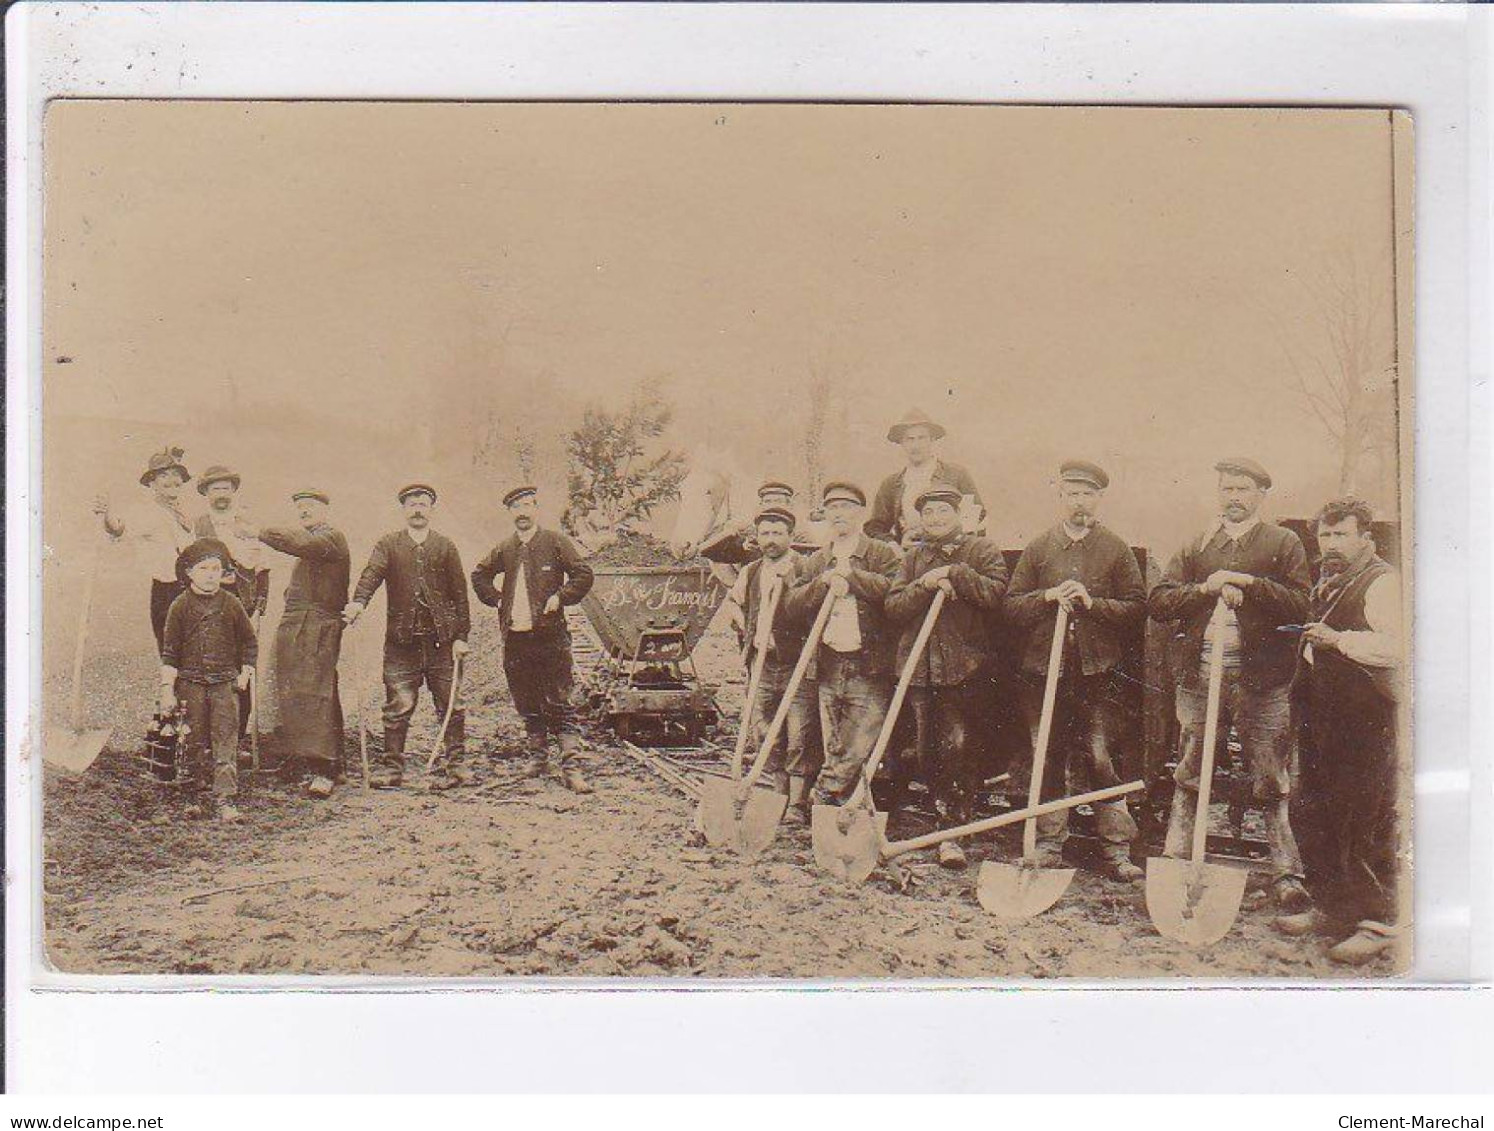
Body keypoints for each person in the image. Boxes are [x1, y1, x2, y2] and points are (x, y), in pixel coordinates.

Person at [1148, 457, 1312, 910]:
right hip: (1201, 674)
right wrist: (1206, 588)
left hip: (1262, 679)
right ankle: (1176, 854)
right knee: (1191, 763)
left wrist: (1249, 584)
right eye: (1226, 489)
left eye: (1242, 489)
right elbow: (1159, 601)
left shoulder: (1283, 542)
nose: (1233, 497)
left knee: (1269, 771)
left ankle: (1286, 873)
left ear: (1261, 494)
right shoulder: (1199, 543)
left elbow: (1301, 605)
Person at [1276, 499, 1405, 965]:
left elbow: (1401, 647)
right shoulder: (1329, 578)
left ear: (1365, 536)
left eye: (1340, 535)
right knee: (1313, 812)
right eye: (1324, 536)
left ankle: (1377, 923)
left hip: (1362, 718)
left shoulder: (1382, 581)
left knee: (1362, 818)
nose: (1330, 544)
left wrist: (1340, 641)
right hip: (1320, 716)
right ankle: (1333, 908)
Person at [1005, 460, 1147, 882]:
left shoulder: (1115, 549)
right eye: (1072, 494)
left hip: (1096, 674)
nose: (1079, 502)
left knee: (1101, 757)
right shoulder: (1039, 547)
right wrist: (1048, 596)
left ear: (1099, 499)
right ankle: (1049, 845)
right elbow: (1011, 605)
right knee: (1046, 755)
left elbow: (1138, 607)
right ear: (1060, 497)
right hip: (1042, 670)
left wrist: (1092, 603)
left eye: (1087, 494)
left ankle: (1117, 849)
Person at [884, 487, 1008, 868]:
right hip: (920, 668)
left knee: (959, 749)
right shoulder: (913, 558)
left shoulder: (982, 551)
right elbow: (893, 607)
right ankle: (941, 817)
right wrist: (925, 584)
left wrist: (955, 573)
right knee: (926, 751)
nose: (935, 518)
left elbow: (996, 594)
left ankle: (953, 831)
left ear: (958, 515)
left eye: (942, 511)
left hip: (964, 669)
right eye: (928, 512)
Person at [781, 481, 902, 808]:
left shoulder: (880, 553)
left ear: (860, 513)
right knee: (834, 742)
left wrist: (852, 578)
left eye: (846, 507)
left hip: (869, 665)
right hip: (829, 664)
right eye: (832, 508)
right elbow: (792, 605)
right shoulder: (818, 561)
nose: (838, 514)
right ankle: (842, 816)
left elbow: (895, 593)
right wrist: (823, 583)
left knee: (859, 741)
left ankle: (819, 797)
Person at [345, 484, 472, 791]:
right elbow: (371, 575)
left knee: (451, 704)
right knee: (398, 705)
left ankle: (456, 765)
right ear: (403, 510)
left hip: (442, 644)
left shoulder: (445, 546)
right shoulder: (388, 545)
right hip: (402, 644)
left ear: (431, 509)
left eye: (423, 504)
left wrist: (461, 637)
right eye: (412, 504)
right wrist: (358, 603)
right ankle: (392, 768)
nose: (417, 509)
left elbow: (460, 594)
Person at [471, 485, 595, 793]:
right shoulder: (506, 548)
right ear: (510, 513)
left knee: (560, 701)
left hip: (551, 638)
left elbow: (583, 574)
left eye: (527, 505)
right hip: (516, 638)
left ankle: (571, 766)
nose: (522, 512)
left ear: (537, 509)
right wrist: (497, 599)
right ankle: (538, 759)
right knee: (527, 701)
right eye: (516, 507)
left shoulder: (555, 542)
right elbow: (479, 574)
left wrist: (561, 597)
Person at [236, 488, 351, 797]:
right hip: (297, 623)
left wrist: (258, 531)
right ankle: (308, 759)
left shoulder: (329, 538)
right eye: (299, 507)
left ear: (325, 509)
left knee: (317, 691)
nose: (304, 511)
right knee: (295, 691)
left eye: (310, 506)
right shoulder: (311, 544)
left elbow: (300, 543)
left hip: (318, 623)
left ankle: (325, 768)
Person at [725, 506, 818, 824]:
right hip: (762, 664)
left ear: (790, 537)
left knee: (799, 734)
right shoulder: (750, 572)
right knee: (763, 730)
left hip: (795, 664)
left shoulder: (805, 568)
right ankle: (776, 796)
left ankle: (797, 804)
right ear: (757, 538)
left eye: (777, 533)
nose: (771, 539)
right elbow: (733, 604)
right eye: (765, 533)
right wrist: (747, 628)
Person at [159, 538, 257, 822]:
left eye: (216, 568)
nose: (211, 574)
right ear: (189, 572)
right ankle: (191, 795)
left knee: (226, 740)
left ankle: (225, 799)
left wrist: (245, 672)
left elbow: (249, 642)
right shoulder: (180, 606)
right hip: (190, 684)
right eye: (204, 568)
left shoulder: (231, 603)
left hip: (224, 685)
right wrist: (168, 690)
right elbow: (170, 652)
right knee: (191, 740)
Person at [93, 446, 197, 656]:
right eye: (164, 476)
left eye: (177, 475)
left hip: (194, 588)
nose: (172, 481)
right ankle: (172, 690)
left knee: (197, 650)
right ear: (152, 483)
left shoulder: (185, 512)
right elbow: (118, 529)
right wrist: (106, 514)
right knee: (173, 653)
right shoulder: (147, 513)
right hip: (168, 592)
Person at [193, 464, 270, 745]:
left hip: (242, 603)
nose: (222, 494)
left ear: (234, 491)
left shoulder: (247, 524)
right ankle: (205, 739)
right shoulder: (197, 525)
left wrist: (261, 603)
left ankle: (236, 739)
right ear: (206, 493)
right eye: (215, 489)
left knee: (242, 670)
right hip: (206, 605)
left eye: (226, 488)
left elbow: (263, 567)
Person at [864, 408, 984, 548]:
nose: (916, 445)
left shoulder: (956, 474)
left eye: (922, 438)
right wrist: (894, 545)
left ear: (932, 440)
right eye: (910, 439)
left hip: (953, 551)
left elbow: (977, 515)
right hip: (910, 554)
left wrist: (958, 544)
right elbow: (875, 527)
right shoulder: (891, 484)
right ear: (901, 443)